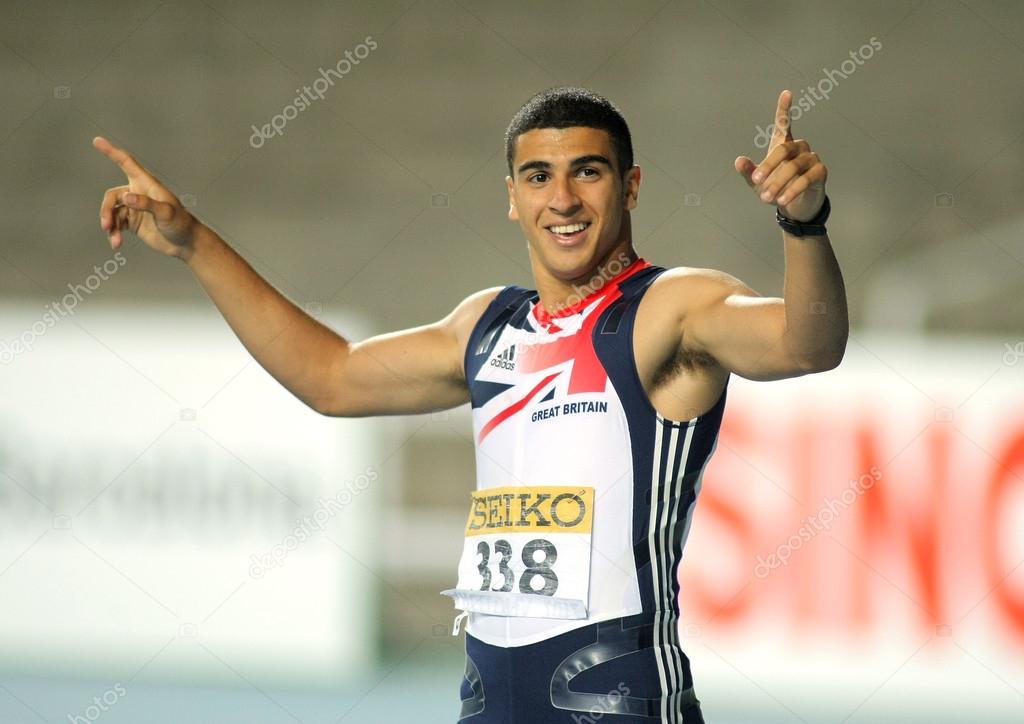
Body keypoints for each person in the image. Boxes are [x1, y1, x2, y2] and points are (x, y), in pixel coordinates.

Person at [93, 85, 847, 723]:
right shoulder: (486, 326)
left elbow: (806, 344)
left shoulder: (671, 307)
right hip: (487, 702)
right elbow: (329, 376)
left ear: (632, 186)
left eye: (587, 172)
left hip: (617, 702)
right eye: (538, 176)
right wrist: (195, 243)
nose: (563, 199)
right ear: (511, 199)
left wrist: (803, 221)